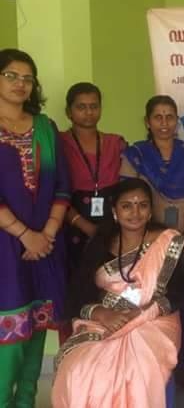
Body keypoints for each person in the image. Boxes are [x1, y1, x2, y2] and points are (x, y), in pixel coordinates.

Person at [52, 178, 184, 408]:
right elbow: (78, 292)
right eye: (127, 206)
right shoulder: (100, 243)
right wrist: (101, 313)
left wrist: (142, 313)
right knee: (78, 368)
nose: (135, 213)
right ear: (115, 211)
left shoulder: (168, 242)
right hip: (105, 321)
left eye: (142, 205)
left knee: (136, 371)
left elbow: (182, 291)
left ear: (150, 211)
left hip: (155, 322)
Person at [120, 95, 184, 396]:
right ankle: (154, 368)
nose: (164, 123)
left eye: (170, 116)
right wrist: (158, 242)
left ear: (177, 121)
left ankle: (183, 368)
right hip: (147, 246)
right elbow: (128, 199)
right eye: (157, 117)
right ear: (147, 122)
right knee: (152, 304)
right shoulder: (135, 155)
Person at [0, 48, 70, 408]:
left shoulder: (45, 127)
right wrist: (26, 234)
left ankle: (26, 402)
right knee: (8, 340)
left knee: (37, 330)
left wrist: (47, 234)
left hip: (45, 245)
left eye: (27, 78)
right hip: (5, 249)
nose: (21, 84)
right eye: (11, 76)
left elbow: (62, 186)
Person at [60, 82, 126, 273]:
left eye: (94, 106)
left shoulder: (116, 143)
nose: (89, 112)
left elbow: (127, 188)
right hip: (71, 223)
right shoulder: (58, 143)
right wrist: (85, 226)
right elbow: (53, 191)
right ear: (69, 112)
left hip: (112, 225)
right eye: (81, 107)